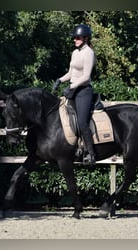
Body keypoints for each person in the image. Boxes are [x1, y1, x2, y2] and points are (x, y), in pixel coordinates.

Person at [53, 24, 96, 164]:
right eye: (74, 38)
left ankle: (90, 153)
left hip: (84, 91)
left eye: (77, 38)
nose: (75, 40)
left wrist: (72, 86)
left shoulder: (89, 53)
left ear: (85, 38)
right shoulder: (75, 53)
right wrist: (60, 79)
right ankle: (73, 146)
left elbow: (86, 76)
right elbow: (71, 73)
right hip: (73, 90)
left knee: (82, 122)